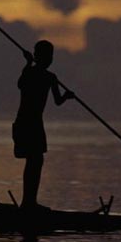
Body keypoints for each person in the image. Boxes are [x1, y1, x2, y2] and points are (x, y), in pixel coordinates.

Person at [12, 40, 74, 211]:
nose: (50, 59)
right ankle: (28, 203)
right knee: (34, 160)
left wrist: (67, 96)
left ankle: (29, 202)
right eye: (47, 55)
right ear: (40, 56)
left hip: (34, 123)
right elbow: (21, 85)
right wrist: (28, 63)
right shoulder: (36, 74)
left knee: (35, 161)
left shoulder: (48, 77)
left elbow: (58, 101)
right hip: (26, 122)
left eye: (51, 56)